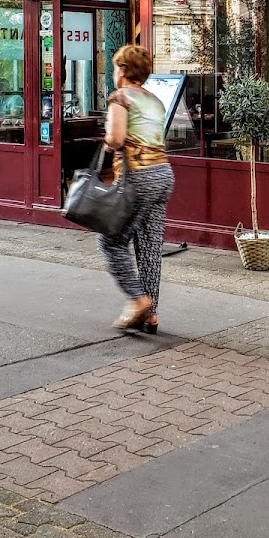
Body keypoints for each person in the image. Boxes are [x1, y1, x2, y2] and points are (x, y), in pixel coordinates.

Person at [99, 44, 175, 334]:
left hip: (138, 176)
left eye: (117, 67)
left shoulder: (120, 98)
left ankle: (138, 300)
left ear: (123, 70)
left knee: (111, 242)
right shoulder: (155, 101)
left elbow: (117, 139)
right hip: (163, 174)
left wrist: (107, 141)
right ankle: (151, 314)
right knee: (149, 248)